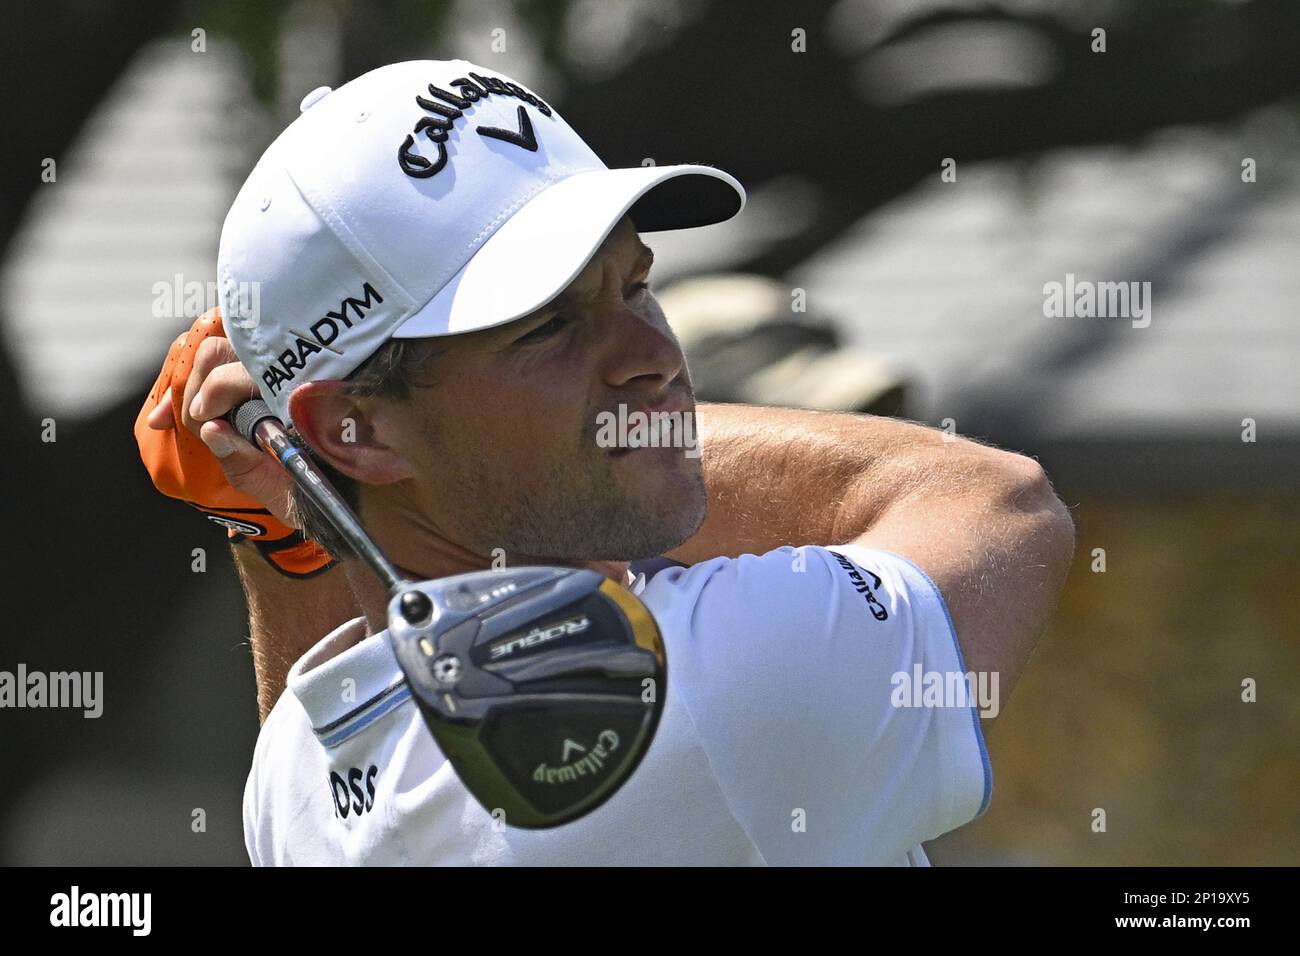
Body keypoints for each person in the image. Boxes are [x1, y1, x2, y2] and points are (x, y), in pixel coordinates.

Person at [135, 59, 1075, 865]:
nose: (655, 353)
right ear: (362, 431)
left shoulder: (296, 771)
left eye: (636, 284)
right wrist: (645, 429)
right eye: (547, 327)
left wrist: (289, 526)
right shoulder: (705, 685)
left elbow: (320, 735)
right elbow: (997, 502)